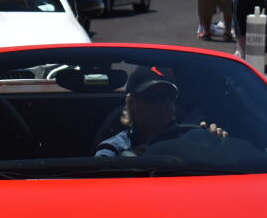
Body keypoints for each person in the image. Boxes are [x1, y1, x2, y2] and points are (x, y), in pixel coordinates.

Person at [95, 67, 226, 157]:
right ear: (132, 103)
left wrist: (217, 147)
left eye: (168, 97)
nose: (161, 105)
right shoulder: (113, 150)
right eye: (151, 97)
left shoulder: (192, 143)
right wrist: (128, 166)